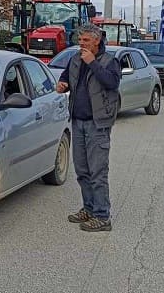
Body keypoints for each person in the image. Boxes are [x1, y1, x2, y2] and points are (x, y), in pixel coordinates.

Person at [55, 24, 122, 232]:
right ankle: (89, 208)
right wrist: (62, 83)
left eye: (85, 41)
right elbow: (66, 76)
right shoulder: (75, 59)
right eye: (80, 40)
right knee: (82, 170)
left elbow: (112, 83)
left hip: (98, 123)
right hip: (78, 120)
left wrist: (93, 63)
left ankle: (103, 216)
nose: (81, 44)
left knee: (97, 171)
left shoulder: (110, 62)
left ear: (96, 41)